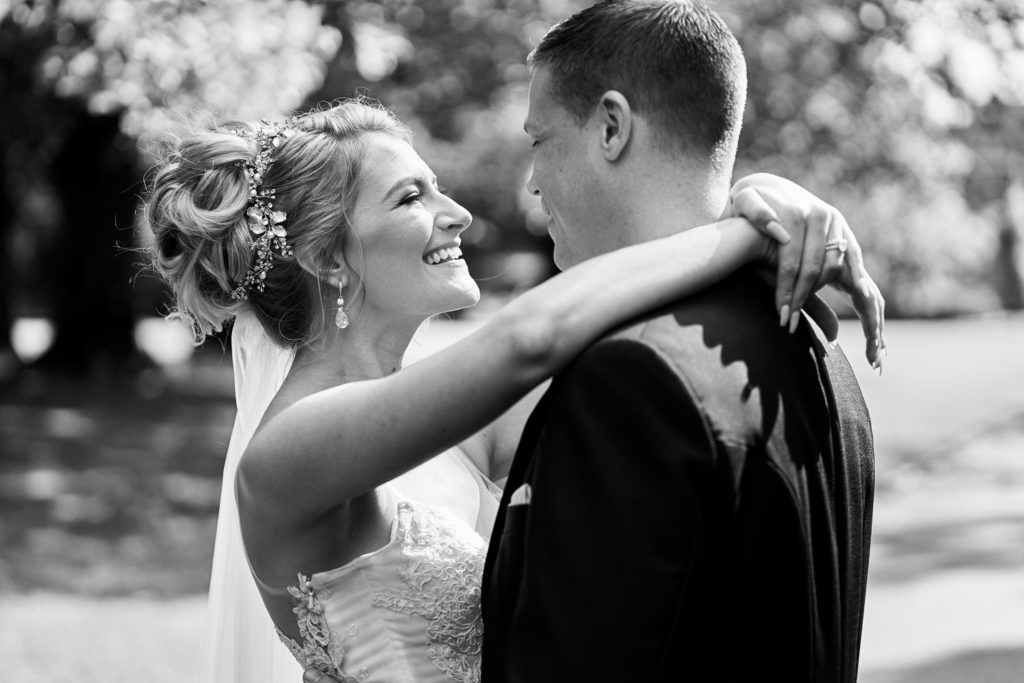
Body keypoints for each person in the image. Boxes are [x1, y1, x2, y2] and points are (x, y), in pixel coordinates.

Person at [140, 97, 881, 681]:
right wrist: (742, 230)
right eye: (410, 198)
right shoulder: (287, 453)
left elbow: (624, 357)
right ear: (326, 258)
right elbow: (534, 338)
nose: (456, 212)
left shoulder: (455, 426)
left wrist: (758, 192)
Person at [480, 2, 879, 682]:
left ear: (611, 126)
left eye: (538, 140)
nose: (533, 181)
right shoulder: (822, 350)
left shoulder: (630, 377)